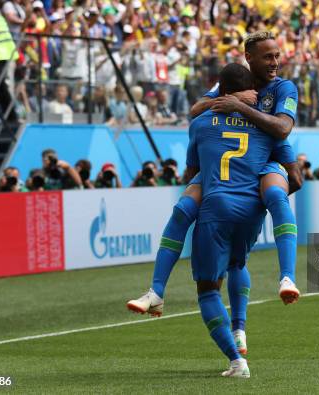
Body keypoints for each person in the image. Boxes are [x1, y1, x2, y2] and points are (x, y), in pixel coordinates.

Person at [127, 31, 301, 323]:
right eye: (268, 56)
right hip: (227, 167)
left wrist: (239, 106)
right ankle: (156, 291)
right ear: (249, 58)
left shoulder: (284, 88)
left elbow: (283, 129)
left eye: (277, 56)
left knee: (274, 195)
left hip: (265, 160)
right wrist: (231, 98)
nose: (275, 62)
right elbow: (196, 110)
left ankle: (287, 278)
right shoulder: (234, 80)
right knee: (183, 210)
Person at [185, 63, 292, 378]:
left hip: (217, 206)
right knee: (237, 264)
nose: (273, 63)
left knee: (207, 288)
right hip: (251, 207)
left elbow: (193, 171)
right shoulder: (265, 123)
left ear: (220, 89)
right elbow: (286, 149)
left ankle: (236, 361)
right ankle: (247, 320)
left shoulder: (202, 123)